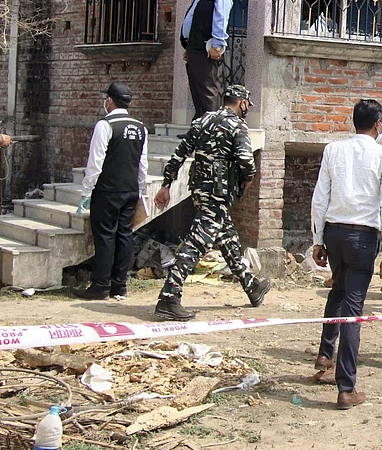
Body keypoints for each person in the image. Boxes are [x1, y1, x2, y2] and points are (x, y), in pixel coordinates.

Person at [152, 84, 270, 320]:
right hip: (219, 194)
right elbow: (246, 161)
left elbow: (180, 153)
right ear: (242, 103)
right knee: (196, 244)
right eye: (246, 105)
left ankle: (251, 287)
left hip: (199, 191)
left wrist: (166, 184)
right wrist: (248, 180)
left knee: (227, 239)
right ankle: (169, 297)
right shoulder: (237, 126)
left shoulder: (203, 120)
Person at [310, 99, 382, 410]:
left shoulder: (333, 149)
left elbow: (320, 197)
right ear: (377, 125)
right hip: (363, 237)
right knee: (353, 307)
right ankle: (346, 388)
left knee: (340, 289)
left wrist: (318, 238)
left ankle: (324, 352)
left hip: (334, 231)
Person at [73, 82, 149, 301]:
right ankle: (120, 284)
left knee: (105, 235)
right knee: (125, 234)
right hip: (130, 190)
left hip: (107, 190)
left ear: (109, 100)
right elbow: (142, 163)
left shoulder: (105, 125)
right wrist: (141, 189)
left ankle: (100, 285)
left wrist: (87, 191)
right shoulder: (140, 127)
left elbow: (95, 162)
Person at [179, 0, 234, 119]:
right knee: (196, 90)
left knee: (208, 90)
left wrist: (217, 45)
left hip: (207, 49)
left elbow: (220, 20)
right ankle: (199, 127)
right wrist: (188, 47)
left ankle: (212, 127)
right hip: (194, 49)